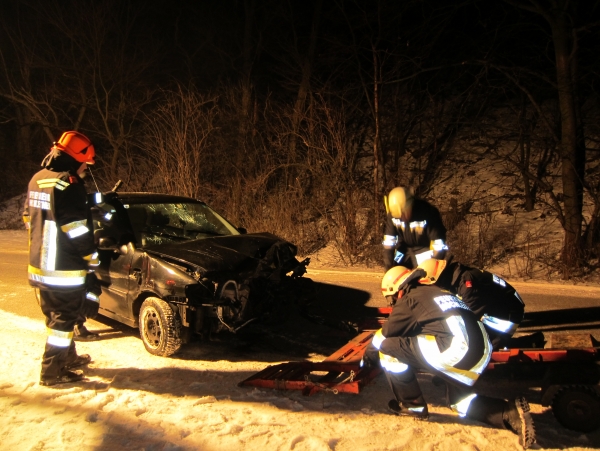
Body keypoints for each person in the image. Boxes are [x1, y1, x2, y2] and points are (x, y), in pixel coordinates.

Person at [369, 265, 536, 449]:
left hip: (457, 351)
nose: (392, 304)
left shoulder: (409, 299)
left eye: (391, 299)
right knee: (459, 402)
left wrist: (366, 360)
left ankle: (412, 406)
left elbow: (384, 335)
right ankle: (510, 414)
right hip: (481, 351)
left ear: (397, 291)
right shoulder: (440, 292)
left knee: (388, 347)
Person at [23, 131, 102, 386]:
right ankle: (51, 372)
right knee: (64, 321)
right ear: (76, 158)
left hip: (40, 263)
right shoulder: (68, 183)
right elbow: (74, 227)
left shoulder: (37, 179)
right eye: (85, 163)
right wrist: (91, 257)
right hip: (63, 268)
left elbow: (28, 217)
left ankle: (67, 358)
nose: (85, 169)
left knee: (56, 318)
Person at [417, 257, 533, 350]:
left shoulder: (467, 283)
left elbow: (469, 314)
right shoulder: (459, 278)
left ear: (439, 278)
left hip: (509, 314)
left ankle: (528, 342)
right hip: (499, 309)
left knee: (480, 347)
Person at [382, 186, 448, 270]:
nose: (402, 217)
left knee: (421, 274)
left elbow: (439, 245)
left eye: (405, 213)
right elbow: (389, 243)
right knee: (396, 270)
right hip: (403, 252)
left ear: (410, 205)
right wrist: (389, 267)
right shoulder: (393, 216)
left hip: (424, 253)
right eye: (399, 216)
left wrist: (433, 266)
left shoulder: (428, 213)